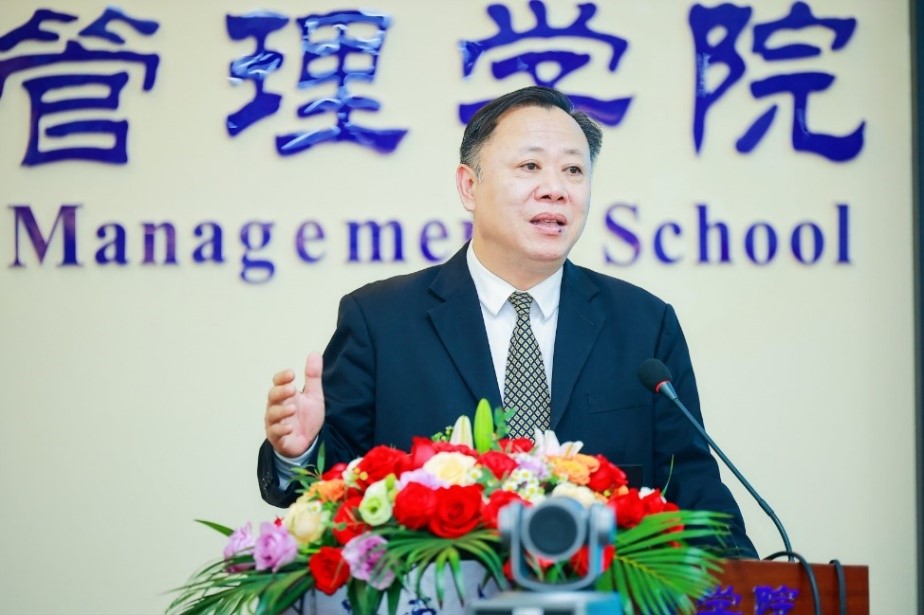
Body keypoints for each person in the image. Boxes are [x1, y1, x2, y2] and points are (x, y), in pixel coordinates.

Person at [258, 85, 757, 558]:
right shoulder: (381, 320)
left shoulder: (644, 325)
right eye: (530, 166)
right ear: (469, 186)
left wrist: (755, 589)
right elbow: (337, 491)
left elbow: (693, 487)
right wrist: (300, 452)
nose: (555, 190)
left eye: (573, 170)